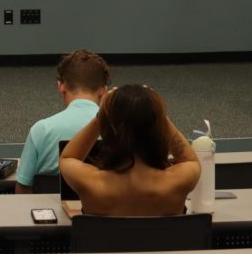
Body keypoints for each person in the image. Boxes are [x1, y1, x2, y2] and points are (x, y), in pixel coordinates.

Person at [59, 85, 200, 216]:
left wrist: (101, 116)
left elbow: (68, 157)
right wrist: (158, 114)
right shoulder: (176, 182)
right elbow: (189, 159)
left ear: (107, 128)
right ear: (158, 128)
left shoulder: (93, 184)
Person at [14, 49, 110, 193]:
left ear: (61, 86)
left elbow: (22, 188)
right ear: (103, 90)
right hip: (104, 213)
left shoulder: (41, 130)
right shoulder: (122, 130)